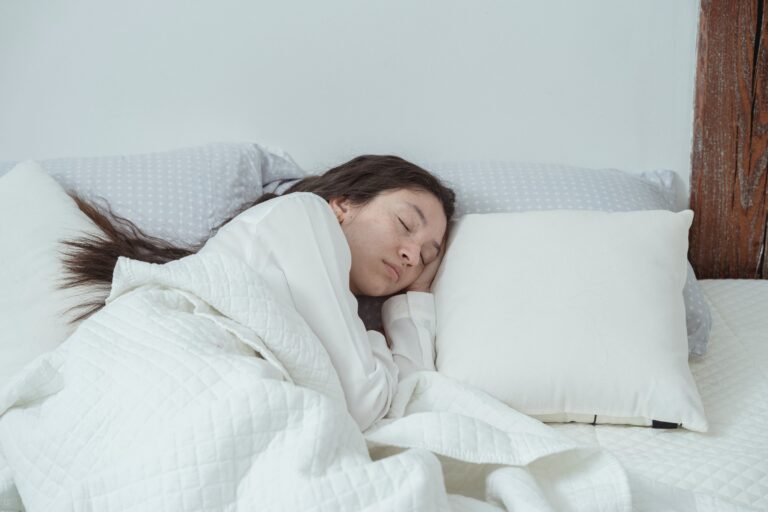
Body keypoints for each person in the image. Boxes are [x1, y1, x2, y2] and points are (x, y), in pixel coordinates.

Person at [60, 154, 455, 430]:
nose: (410, 256)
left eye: (426, 257)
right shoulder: (303, 215)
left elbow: (412, 401)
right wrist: (378, 340)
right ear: (343, 205)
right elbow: (364, 402)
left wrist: (414, 298)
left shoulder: (341, 312)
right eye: (405, 223)